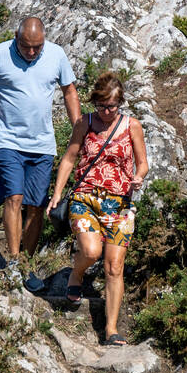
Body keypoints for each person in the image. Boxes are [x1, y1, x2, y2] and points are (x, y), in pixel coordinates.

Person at [0, 17, 80, 291]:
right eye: (25, 46)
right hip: (7, 141)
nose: (31, 52)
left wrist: (79, 131)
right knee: (14, 197)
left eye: (36, 47)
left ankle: (27, 266)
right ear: (16, 37)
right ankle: (14, 262)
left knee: (37, 206)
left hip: (42, 145)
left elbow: (69, 92)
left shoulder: (56, 55)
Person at [47, 72, 149, 345]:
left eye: (112, 106)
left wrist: (138, 177)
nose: (106, 112)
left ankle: (111, 329)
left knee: (114, 266)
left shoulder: (132, 126)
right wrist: (57, 194)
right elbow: (70, 158)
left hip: (120, 204)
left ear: (121, 104)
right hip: (85, 199)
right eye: (101, 106)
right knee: (91, 252)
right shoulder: (85, 123)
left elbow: (143, 163)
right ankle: (76, 274)